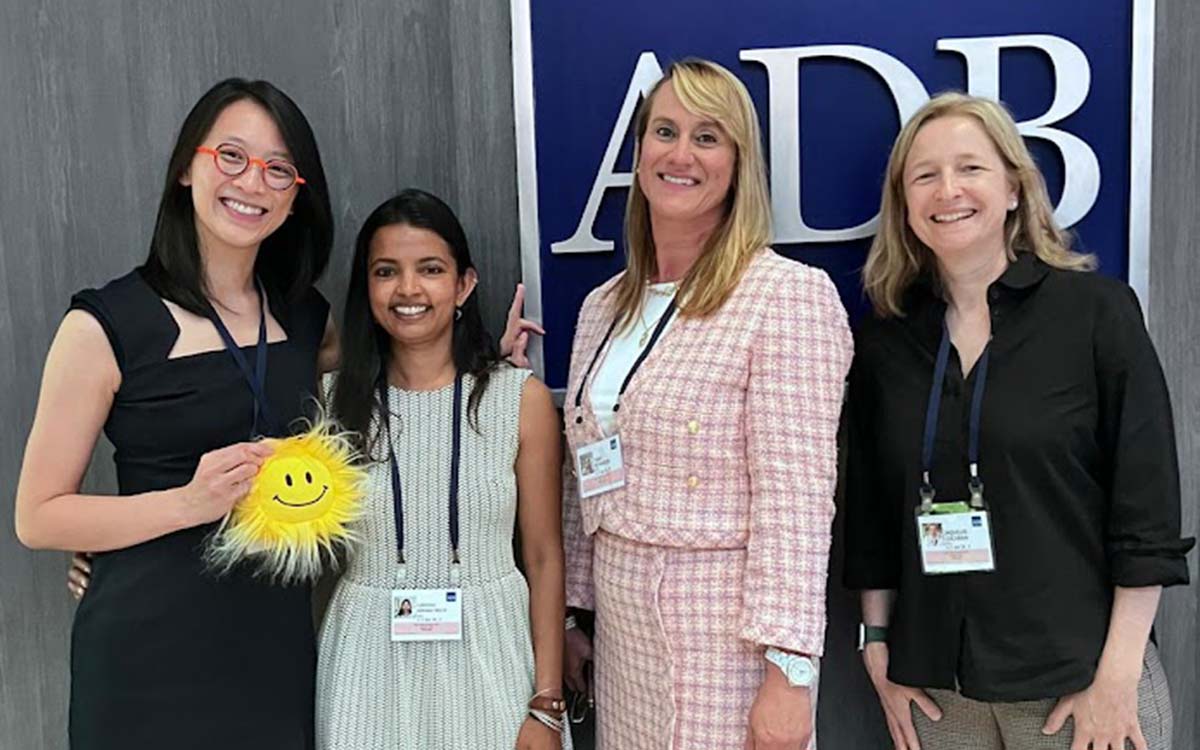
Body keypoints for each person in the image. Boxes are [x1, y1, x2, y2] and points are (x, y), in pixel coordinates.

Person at [843, 92, 1193, 750]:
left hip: (1080, 688)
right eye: (924, 175)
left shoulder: (1096, 314)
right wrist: (877, 643)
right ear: (904, 204)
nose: (948, 190)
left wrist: (1117, 677)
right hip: (941, 695)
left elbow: (1147, 513)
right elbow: (870, 515)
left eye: (970, 168)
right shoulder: (886, 345)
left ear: (1013, 187)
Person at [15, 78, 337, 749]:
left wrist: (484, 353)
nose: (253, 182)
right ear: (187, 167)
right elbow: (38, 517)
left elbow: (390, 370)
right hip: (145, 656)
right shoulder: (106, 324)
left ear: (294, 197)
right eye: (232, 156)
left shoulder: (306, 317)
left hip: (273, 649)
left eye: (278, 168)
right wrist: (186, 504)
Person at [554, 59, 852, 749]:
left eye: (708, 136)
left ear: (739, 163)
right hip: (622, 636)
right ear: (640, 152)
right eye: (665, 131)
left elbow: (797, 500)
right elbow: (584, 468)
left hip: (727, 641)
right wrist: (573, 613)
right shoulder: (603, 307)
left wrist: (789, 673)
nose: (681, 154)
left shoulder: (785, 297)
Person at [315, 190, 571, 750]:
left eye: (430, 269)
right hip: (367, 662)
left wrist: (547, 703)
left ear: (464, 285)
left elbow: (544, 556)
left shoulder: (516, 400)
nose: (408, 289)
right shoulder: (331, 405)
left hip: (493, 650)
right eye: (386, 271)